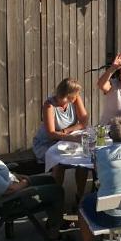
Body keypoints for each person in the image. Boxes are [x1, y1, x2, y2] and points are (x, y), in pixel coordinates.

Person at [32, 78, 90, 206]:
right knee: (59, 164)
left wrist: (66, 131)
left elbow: (84, 122)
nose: (76, 98)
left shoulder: (75, 99)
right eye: (74, 96)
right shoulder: (49, 105)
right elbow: (51, 134)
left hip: (66, 139)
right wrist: (71, 136)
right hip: (47, 142)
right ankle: (55, 200)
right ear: (67, 95)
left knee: (82, 161)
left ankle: (80, 196)